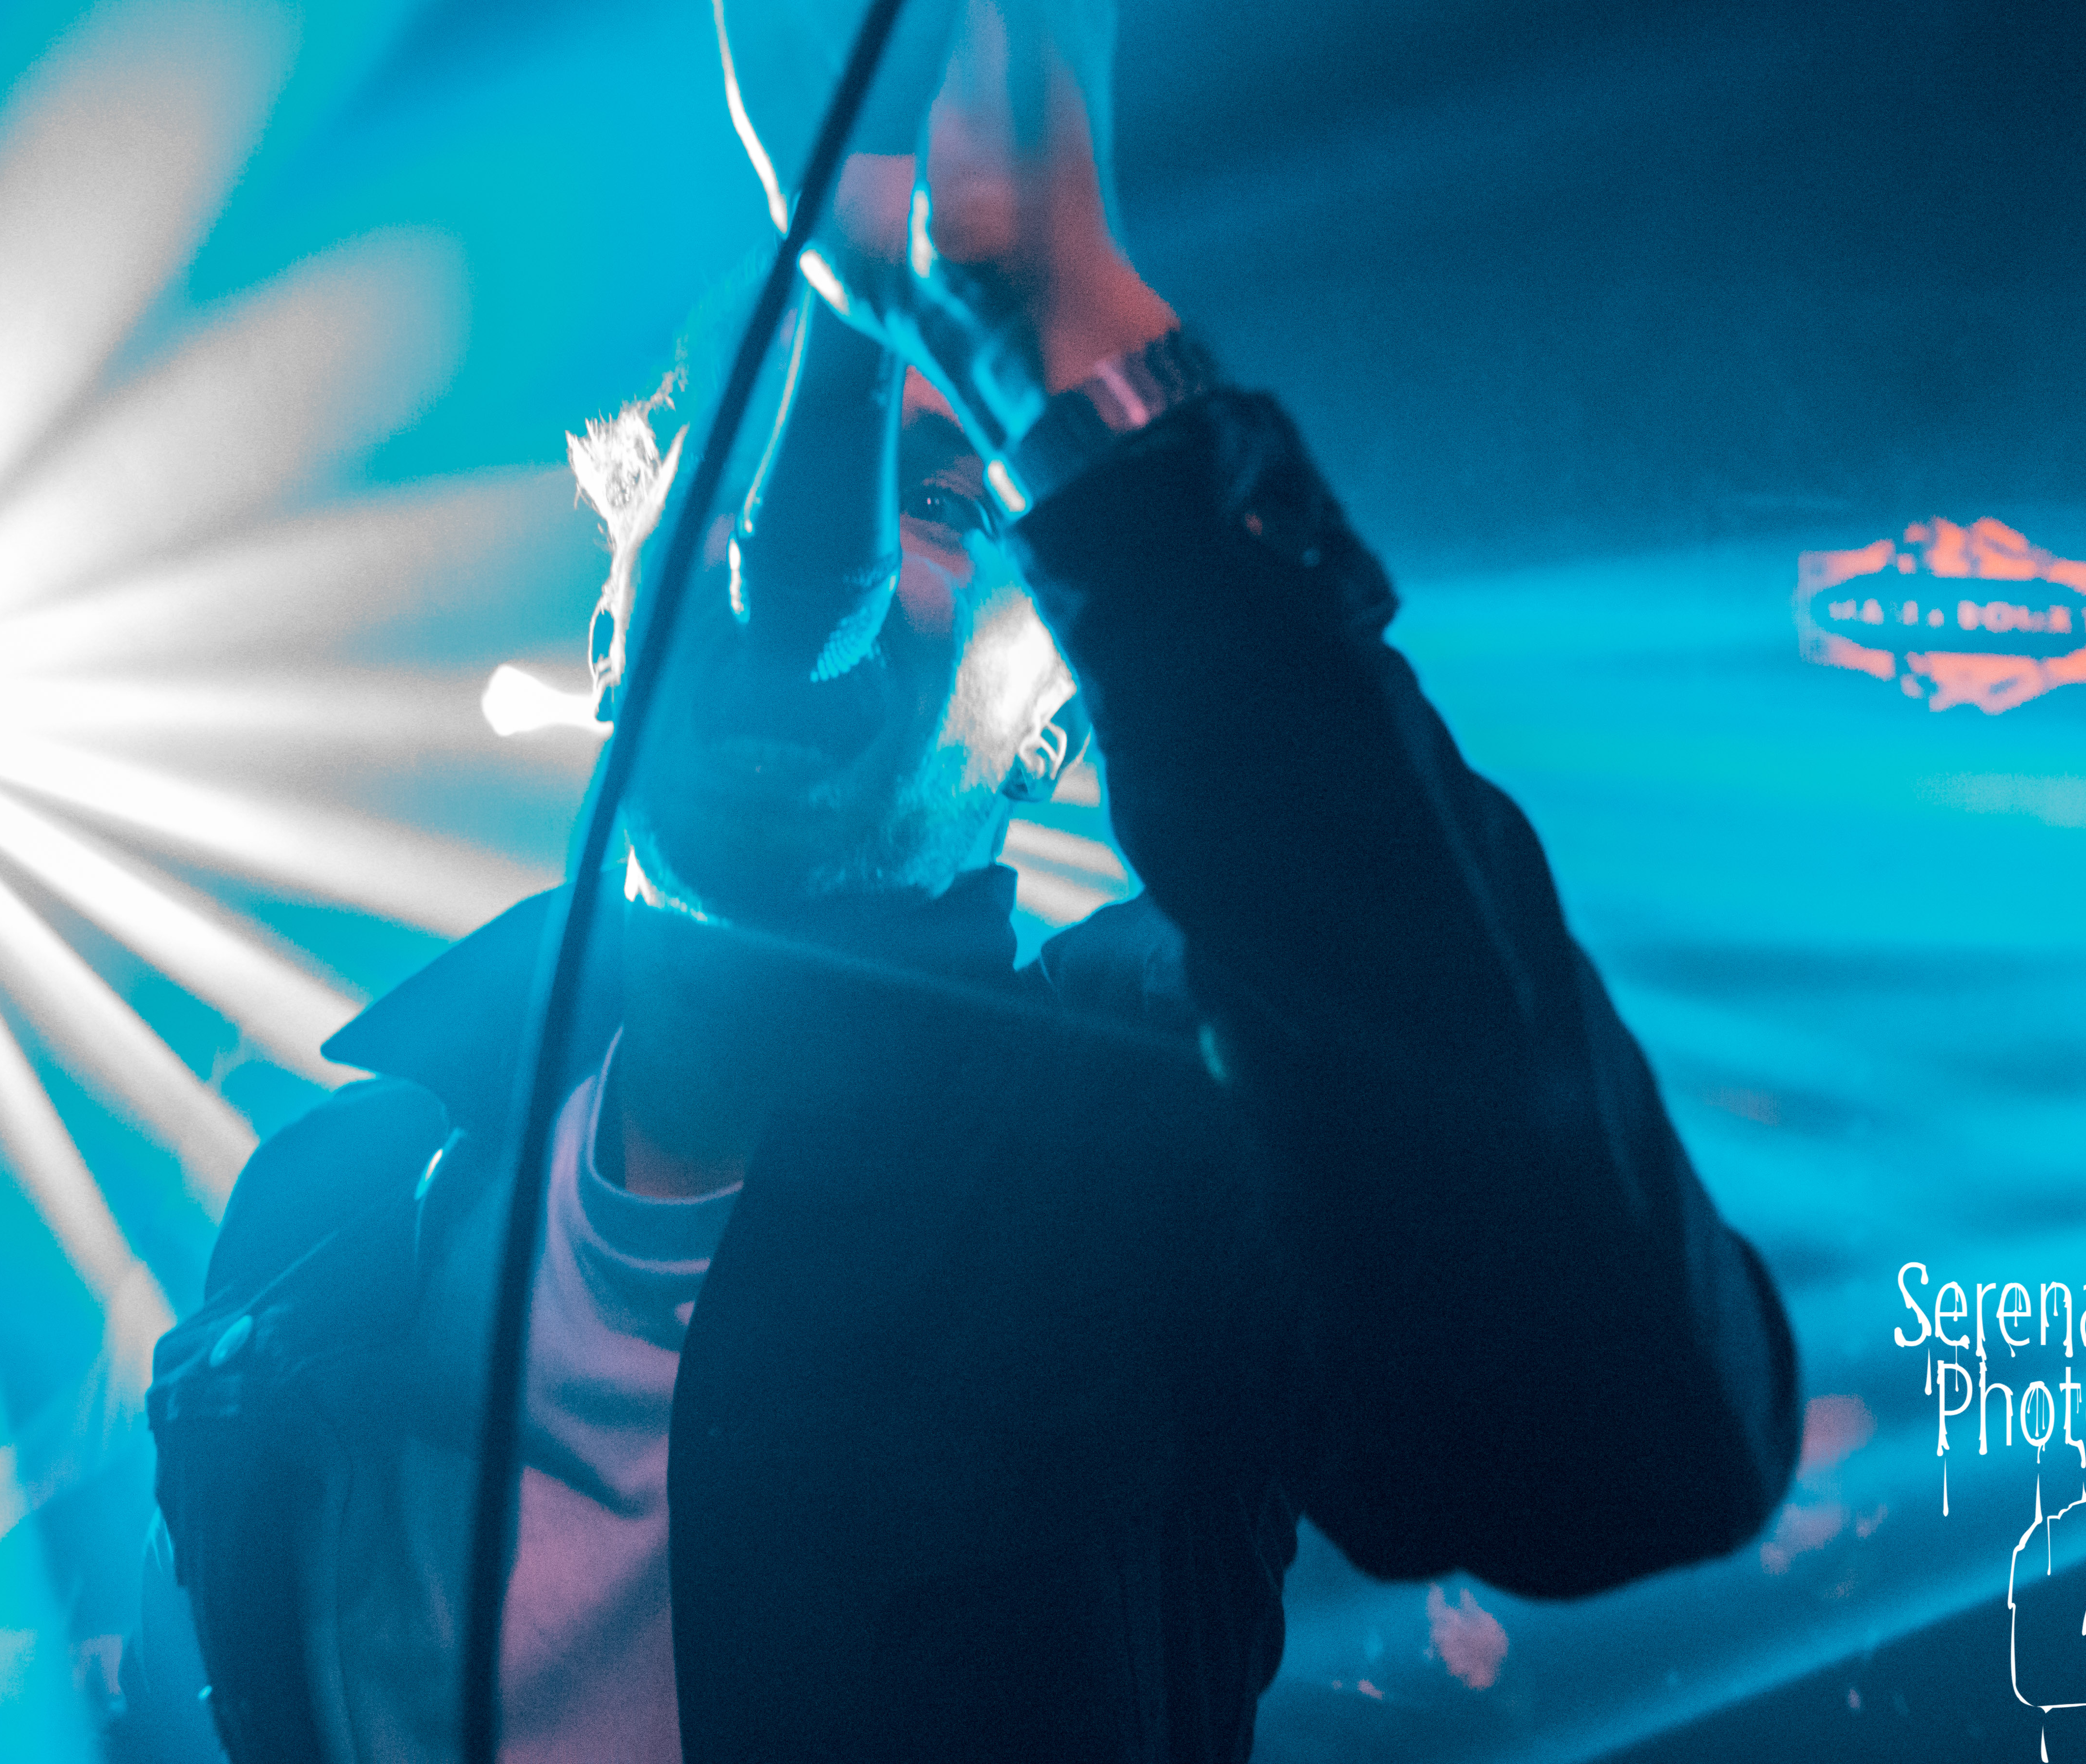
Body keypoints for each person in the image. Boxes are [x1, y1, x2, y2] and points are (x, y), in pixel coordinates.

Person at [132, 3, 1802, 1760]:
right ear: (611, 632)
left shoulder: (1159, 1155)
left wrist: (1052, 327)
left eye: (945, 507)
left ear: (1053, 729)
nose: (807, 555)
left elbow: (1634, 1454)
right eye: (731, 466)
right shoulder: (333, 1202)